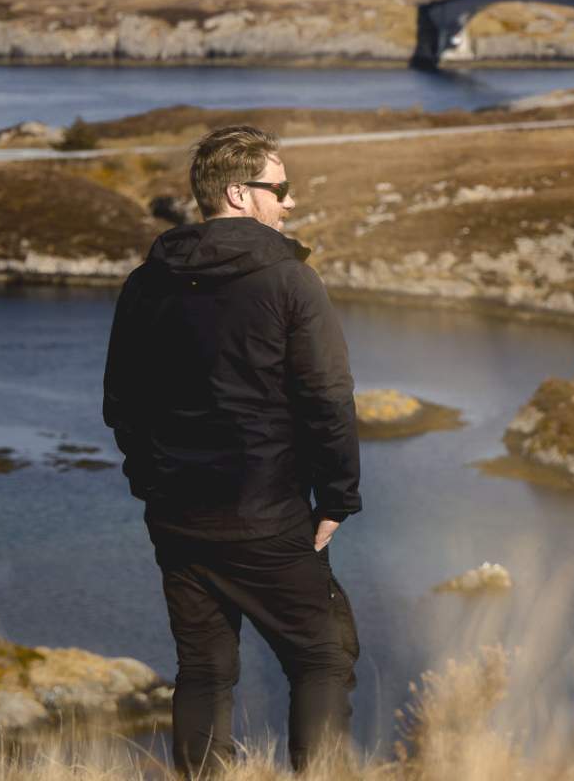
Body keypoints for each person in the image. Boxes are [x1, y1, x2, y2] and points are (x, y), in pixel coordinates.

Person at [103, 124, 361, 774]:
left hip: (177, 516)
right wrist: (336, 498)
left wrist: (152, 481)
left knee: (204, 670)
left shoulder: (146, 282)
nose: (291, 203)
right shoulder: (291, 281)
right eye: (281, 189)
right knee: (324, 657)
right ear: (240, 194)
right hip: (266, 512)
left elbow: (120, 403)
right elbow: (328, 399)